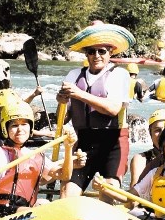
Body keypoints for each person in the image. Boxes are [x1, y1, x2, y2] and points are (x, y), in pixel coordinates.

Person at [0, 100, 85, 220]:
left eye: (24, 124)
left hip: (22, 211)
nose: (20, 129)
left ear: (30, 127)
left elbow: (64, 175)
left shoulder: (37, 156)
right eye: (14, 125)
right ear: (6, 129)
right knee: (34, 211)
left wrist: (68, 148)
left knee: (46, 205)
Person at [57, 20, 135, 203]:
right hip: (84, 141)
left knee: (108, 192)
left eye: (102, 51)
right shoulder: (74, 75)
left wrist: (79, 94)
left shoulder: (119, 74)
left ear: (111, 52)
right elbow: (66, 115)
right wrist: (62, 102)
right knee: (67, 194)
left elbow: (113, 109)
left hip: (112, 142)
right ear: (86, 53)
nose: (96, 55)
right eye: (91, 51)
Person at [129, 108, 165, 186]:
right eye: (157, 130)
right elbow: (134, 191)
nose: (162, 134)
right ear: (150, 132)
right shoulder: (141, 159)